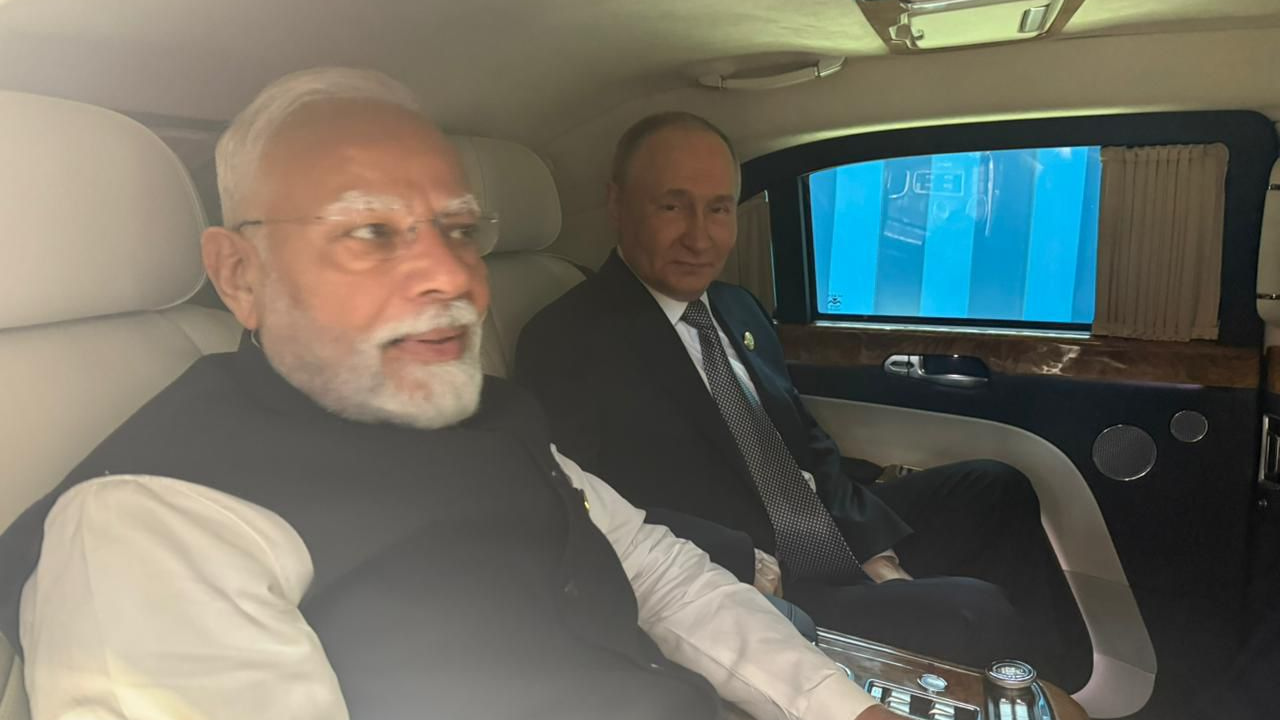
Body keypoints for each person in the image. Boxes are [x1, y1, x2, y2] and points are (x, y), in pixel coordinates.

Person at [0, 69, 900, 720]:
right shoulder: (148, 526)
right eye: (369, 232)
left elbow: (658, 573)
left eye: (461, 229)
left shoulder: (486, 413)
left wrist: (843, 707)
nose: (456, 278)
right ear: (239, 275)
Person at [516, 111, 1092, 689]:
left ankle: (1057, 684)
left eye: (718, 209)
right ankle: (1027, 693)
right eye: (672, 206)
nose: (700, 237)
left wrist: (874, 550)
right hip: (756, 578)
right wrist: (744, 561)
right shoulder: (566, 339)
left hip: (820, 526)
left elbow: (805, 444)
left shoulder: (736, 307)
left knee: (995, 487)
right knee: (974, 611)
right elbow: (586, 507)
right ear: (617, 205)